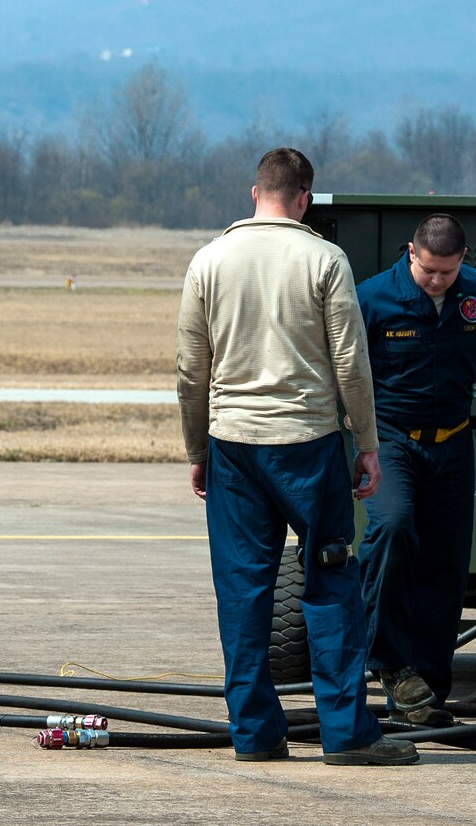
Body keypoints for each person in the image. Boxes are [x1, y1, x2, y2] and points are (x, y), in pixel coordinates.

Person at [176, 148, 417, 766]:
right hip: (308, 447)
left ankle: (254, 735)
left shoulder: (209, 260)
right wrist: (367, 445)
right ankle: (347, 733)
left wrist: (197, 448)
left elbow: (190, 373)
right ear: (305, 199)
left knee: (243, 592)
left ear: (253, 192)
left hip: (233, 447)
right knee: (331, 584)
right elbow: (351, 365)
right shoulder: (324, 259)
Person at [355, 213, 476, 725]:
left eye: (447, 272)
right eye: (428, 271)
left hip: (453, 443)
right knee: (393, 528)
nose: (437, 280)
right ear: (410, 253)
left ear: (463, 260)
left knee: (446, 563)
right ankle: (389, 661)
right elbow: (346, 365)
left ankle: (428, 691)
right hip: (392, 439)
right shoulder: (374, 297)